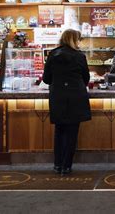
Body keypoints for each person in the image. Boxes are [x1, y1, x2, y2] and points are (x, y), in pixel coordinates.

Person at [43, 29, 91, 176]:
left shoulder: (53, 54)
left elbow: (46, 79)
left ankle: (57, 165)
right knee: (72, 132)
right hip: (76, 97)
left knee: (59, 132)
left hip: (58, 97)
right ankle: (67, 166)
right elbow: (86, 78)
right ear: (74, 40)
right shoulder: (79, 56)